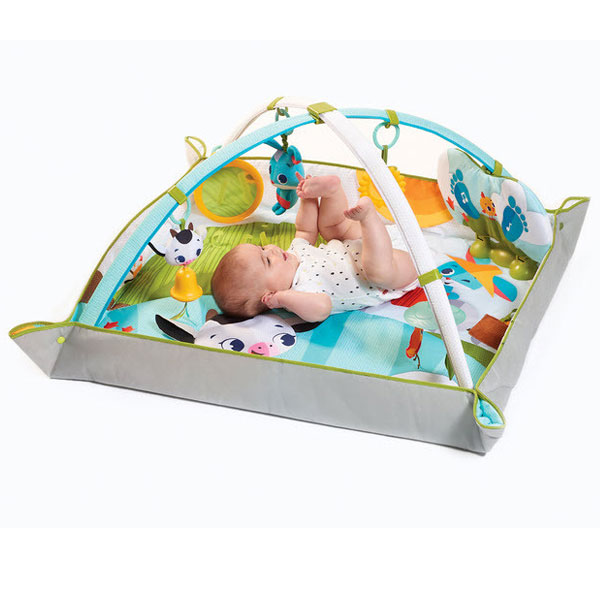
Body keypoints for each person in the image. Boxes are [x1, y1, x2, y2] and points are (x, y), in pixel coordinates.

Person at [211, 175, 418, 322]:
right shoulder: (299, 293)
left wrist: (307, 198)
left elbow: (305, 230)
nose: (271, 249)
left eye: (262, 247)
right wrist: (282, 299)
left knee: (331, 228)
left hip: (358, 243)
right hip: (392, 273)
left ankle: (332, 191)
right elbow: (323, 308)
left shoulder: (293, 253)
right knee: (378, 272)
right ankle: (369, 218)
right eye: (267, 260)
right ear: (269, 295)